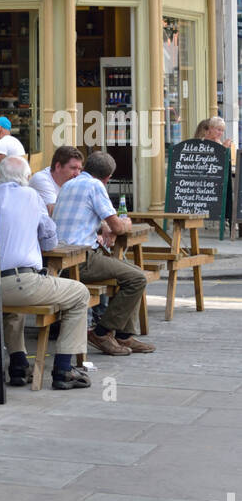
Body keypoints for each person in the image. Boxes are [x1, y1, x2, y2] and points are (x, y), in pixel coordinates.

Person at [0, 156, 91, 390]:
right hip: (23, 281)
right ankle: (63, 368)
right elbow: (49, 241)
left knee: (14, 307)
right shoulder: (32, 196)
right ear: (26, 177)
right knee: (80, 293)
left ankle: (18, 365)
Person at [53, 151, 156, 356]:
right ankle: (101, 332)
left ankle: (124, 336)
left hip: (59, 259)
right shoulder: (95, 185)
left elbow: (82, 219)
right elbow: (118, 227)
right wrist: (125, 223)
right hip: (79, 259)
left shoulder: (68, 185)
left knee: (132, 272)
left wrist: (101, 227)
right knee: (137, 277)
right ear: (108, 178)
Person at [29, 146, 83, 214]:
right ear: (58, 166)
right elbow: (58, 213)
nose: (78, 174)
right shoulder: (41, 180)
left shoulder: (71, 181)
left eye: (79, 169)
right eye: (73, 168)